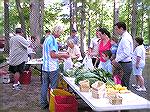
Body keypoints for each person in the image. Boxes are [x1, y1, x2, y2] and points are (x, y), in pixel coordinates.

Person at [40, 25, 70, 109]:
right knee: (53, 87)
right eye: (60, 33)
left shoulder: (47, 38)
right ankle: (51, 105)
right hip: (52, 68)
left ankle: (43, 103)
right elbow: (53, 55)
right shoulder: (52, 40)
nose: (60, 35)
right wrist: (64, 55)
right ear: (57, 32)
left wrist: (61, 56)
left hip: (45, 67)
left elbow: (50, 54)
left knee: (44, 86)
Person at [113, 22, 133, 89]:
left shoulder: (125, 38)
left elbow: (126, 53)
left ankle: (126, 99)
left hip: (125, 64)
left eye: (116, 29)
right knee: (121, 84)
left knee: (124, 85)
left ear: (121, 28)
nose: (116, 31)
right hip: (123, 64)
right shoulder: (124, 37)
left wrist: (116, 60)